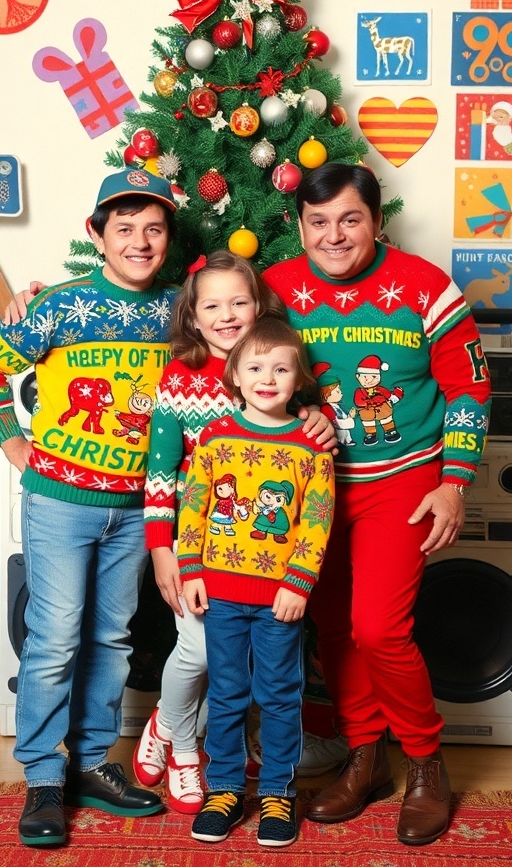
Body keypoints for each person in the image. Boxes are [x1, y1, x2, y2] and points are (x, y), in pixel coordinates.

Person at [262, 161, 492, 847]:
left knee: (379, 629)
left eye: (350, 220)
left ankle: (425, 762)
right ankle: (366, 758)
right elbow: (209, 333)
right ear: (299, 226)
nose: (334, 236)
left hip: (403, 483)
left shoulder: (427, 287)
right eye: (319, 222)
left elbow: (469, 389)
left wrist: (454, 481)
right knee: (332, 629)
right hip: (313, 487)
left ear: (377, 221)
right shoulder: (273, 289)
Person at [0, 166, 182, 847]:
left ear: (169, 238)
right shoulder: (56, 306)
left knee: (112, 637)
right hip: (61, 502)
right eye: (124, 229)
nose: (139, 242)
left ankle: (90, 763)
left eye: (153, 228)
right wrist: (12, 443)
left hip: (136, 508)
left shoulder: (180, 309)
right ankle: (42, 776)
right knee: (56, 637)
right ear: (97, 235)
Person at [133, 251, 345, 815]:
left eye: (239, 302)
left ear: (260, 308)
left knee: (236, 665)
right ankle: (177, 737)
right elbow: (159, 471)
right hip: (197, 543)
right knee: (198, 651)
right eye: (213, 305)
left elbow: (311, 450)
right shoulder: (180, 377)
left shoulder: (280, 369)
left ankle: (173, 725)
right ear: (194, 317)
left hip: (267, 559)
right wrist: (162, 549)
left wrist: (320, 418)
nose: (227, 315)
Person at [177, 316, 335, 847]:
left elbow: (317, 520)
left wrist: (298, 582)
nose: (268, 378)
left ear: (299, 380)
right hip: (219, 592)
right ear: (236, 376)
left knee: (279, 694)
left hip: (278, 600)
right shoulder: (218, 436)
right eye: (256, 367)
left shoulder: (312, 446)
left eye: (281, 368)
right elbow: (195, 503)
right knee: (225, 692)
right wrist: (191, 568)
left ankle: (277, 793)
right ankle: (223, 787)